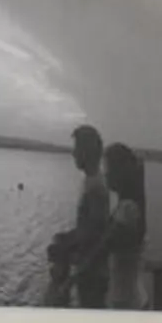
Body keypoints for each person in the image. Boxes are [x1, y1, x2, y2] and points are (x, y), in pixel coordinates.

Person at [46, 123, 110, 307]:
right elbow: (88, 228)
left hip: (92, 272)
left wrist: (66, 244)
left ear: (86, 151)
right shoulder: (91, 182)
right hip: (88, 270)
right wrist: (67, 237)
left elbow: (94, 234)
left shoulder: (96, 187)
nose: (73, 153)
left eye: (77, 148)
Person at [99, 141, 147, 310]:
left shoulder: (128, 209)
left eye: (108, 169)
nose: (105, 174)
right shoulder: (126, 206)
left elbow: (104, 246)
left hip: (127, 302)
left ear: (121, 172)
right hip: (128, 299)